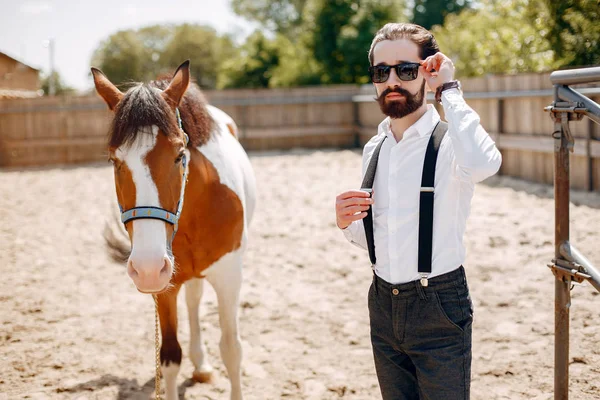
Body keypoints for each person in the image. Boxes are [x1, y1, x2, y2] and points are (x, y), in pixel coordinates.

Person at [335, 23, 502, 400]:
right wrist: (347, 223)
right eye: (382, 72)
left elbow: (485, 163)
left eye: (406, 70)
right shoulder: (375, 149)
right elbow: (383, 236)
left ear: (427, 73)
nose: (392, 81)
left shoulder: (450, 143)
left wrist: (449, 90)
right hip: (381, 302)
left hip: (439, 306)